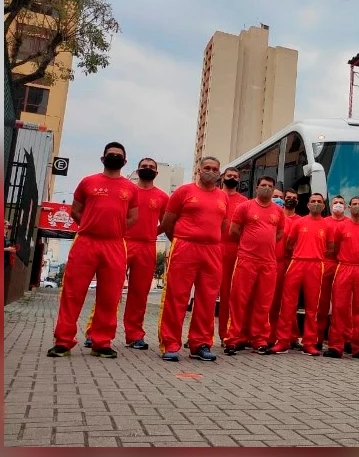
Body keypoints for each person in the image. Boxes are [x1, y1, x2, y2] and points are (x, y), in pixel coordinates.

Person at [46, 142, 138, 359]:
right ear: (102, 158)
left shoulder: (130, 188)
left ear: (124, 162)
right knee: (72, 292)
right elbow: (76, 210)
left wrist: (112, 228)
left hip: (115, 245)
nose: (114, 157)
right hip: (86, 242)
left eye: (118, 155)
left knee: (110, 296)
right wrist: (91, 225)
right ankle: (63, 341)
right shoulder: (88, 182)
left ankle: (101, 342)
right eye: (110, 154)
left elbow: (133, 218)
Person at [84, 158, 168, 350]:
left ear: (156, 172)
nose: (147, 169)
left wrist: (151, 233)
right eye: (144, 166)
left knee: (140, 294)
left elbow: (166, 221)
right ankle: (94, 332)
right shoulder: (127, 190)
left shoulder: (163, 197)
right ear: (137, 169)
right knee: (109, 290)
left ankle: (135, 335)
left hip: (148, 247)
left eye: (151, 167)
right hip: (122, 243)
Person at [157, 157, 229, 362]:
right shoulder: (184, 192)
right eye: (207, 168)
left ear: (219, 173)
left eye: (215, 169)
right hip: (185, 247)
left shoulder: (223, 197)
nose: (211, 171)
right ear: (198, 170)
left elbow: (222, 226)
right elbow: (168, 222)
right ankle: (170, 343)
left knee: (207, 299)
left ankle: (201, 344)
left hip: (212, 250)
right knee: (177, 297)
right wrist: (180, 241)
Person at [223, 176, 285, 355]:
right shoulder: (245, 207)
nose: (267, 188)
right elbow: (234, 231)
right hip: (246, 260)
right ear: (257, 187)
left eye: (270, 186)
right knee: (239, 301)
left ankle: (259, 339)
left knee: (263, 304)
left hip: (268, 263)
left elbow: (279, 233)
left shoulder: (278, 211)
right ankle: (233, 339)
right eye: (263, 185)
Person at [275, 193, 329, 355]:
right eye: (313, 201)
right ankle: (283, 341)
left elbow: (330, 247)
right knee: (288, 304)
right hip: (297, 262)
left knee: (313, 307)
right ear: (307, 204)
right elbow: (289, 244)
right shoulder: (299, 223)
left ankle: (309, 343)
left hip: (316, 265)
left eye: (319, 202)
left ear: (324, 206)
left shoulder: (327, 225)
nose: (316, 204)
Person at [325, 196, 359, 360]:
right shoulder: (341, 227)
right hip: (344, 267)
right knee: (340, 307)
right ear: (349, 207)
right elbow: (334, 248)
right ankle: (335, 346)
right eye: (353, 204)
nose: (356, 207)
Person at [216, 166, 250, 343]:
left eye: (235, 176)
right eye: (229, 176)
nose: (232, 178)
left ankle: (226, 334)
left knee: (230, 295)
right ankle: (197, 335)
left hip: (235, 250)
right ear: (223, 177)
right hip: (214, 247)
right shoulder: (215, 195)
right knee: (205, 293)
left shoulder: (244, 202)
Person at [268, 189, 301, 346]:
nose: (289, 200)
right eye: (286, 198)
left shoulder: (300, 220)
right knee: (272, 300)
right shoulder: (274, 217)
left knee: (289, 301)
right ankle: (270, 334)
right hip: (273, 261)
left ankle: (291, 335)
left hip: (292, 263)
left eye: (293, 198)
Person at [317, 195, 348, 349]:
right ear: (330, 205)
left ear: (346, 206)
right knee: (321, 303)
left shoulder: (349, 223)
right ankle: (318, 337)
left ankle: (344, 339)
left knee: (342, 305)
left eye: (341, 203)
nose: (338, 205)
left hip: (343, 264)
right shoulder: (324, 222)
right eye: (335, 202)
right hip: (326, 263)